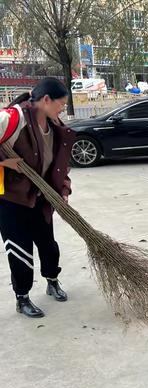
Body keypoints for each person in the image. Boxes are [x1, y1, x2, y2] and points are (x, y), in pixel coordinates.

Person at [0, 78, 75, 318]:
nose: (62, 108)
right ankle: (22, 298)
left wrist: (63, 190)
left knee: (48, 246)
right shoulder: (13, 119)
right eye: (61, 104)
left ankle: (52, 281)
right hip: (11, 200)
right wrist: (3, 163)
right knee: (20, 251)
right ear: (46, 100)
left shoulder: (55, 127)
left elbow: (61, 165)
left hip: (42, 198)